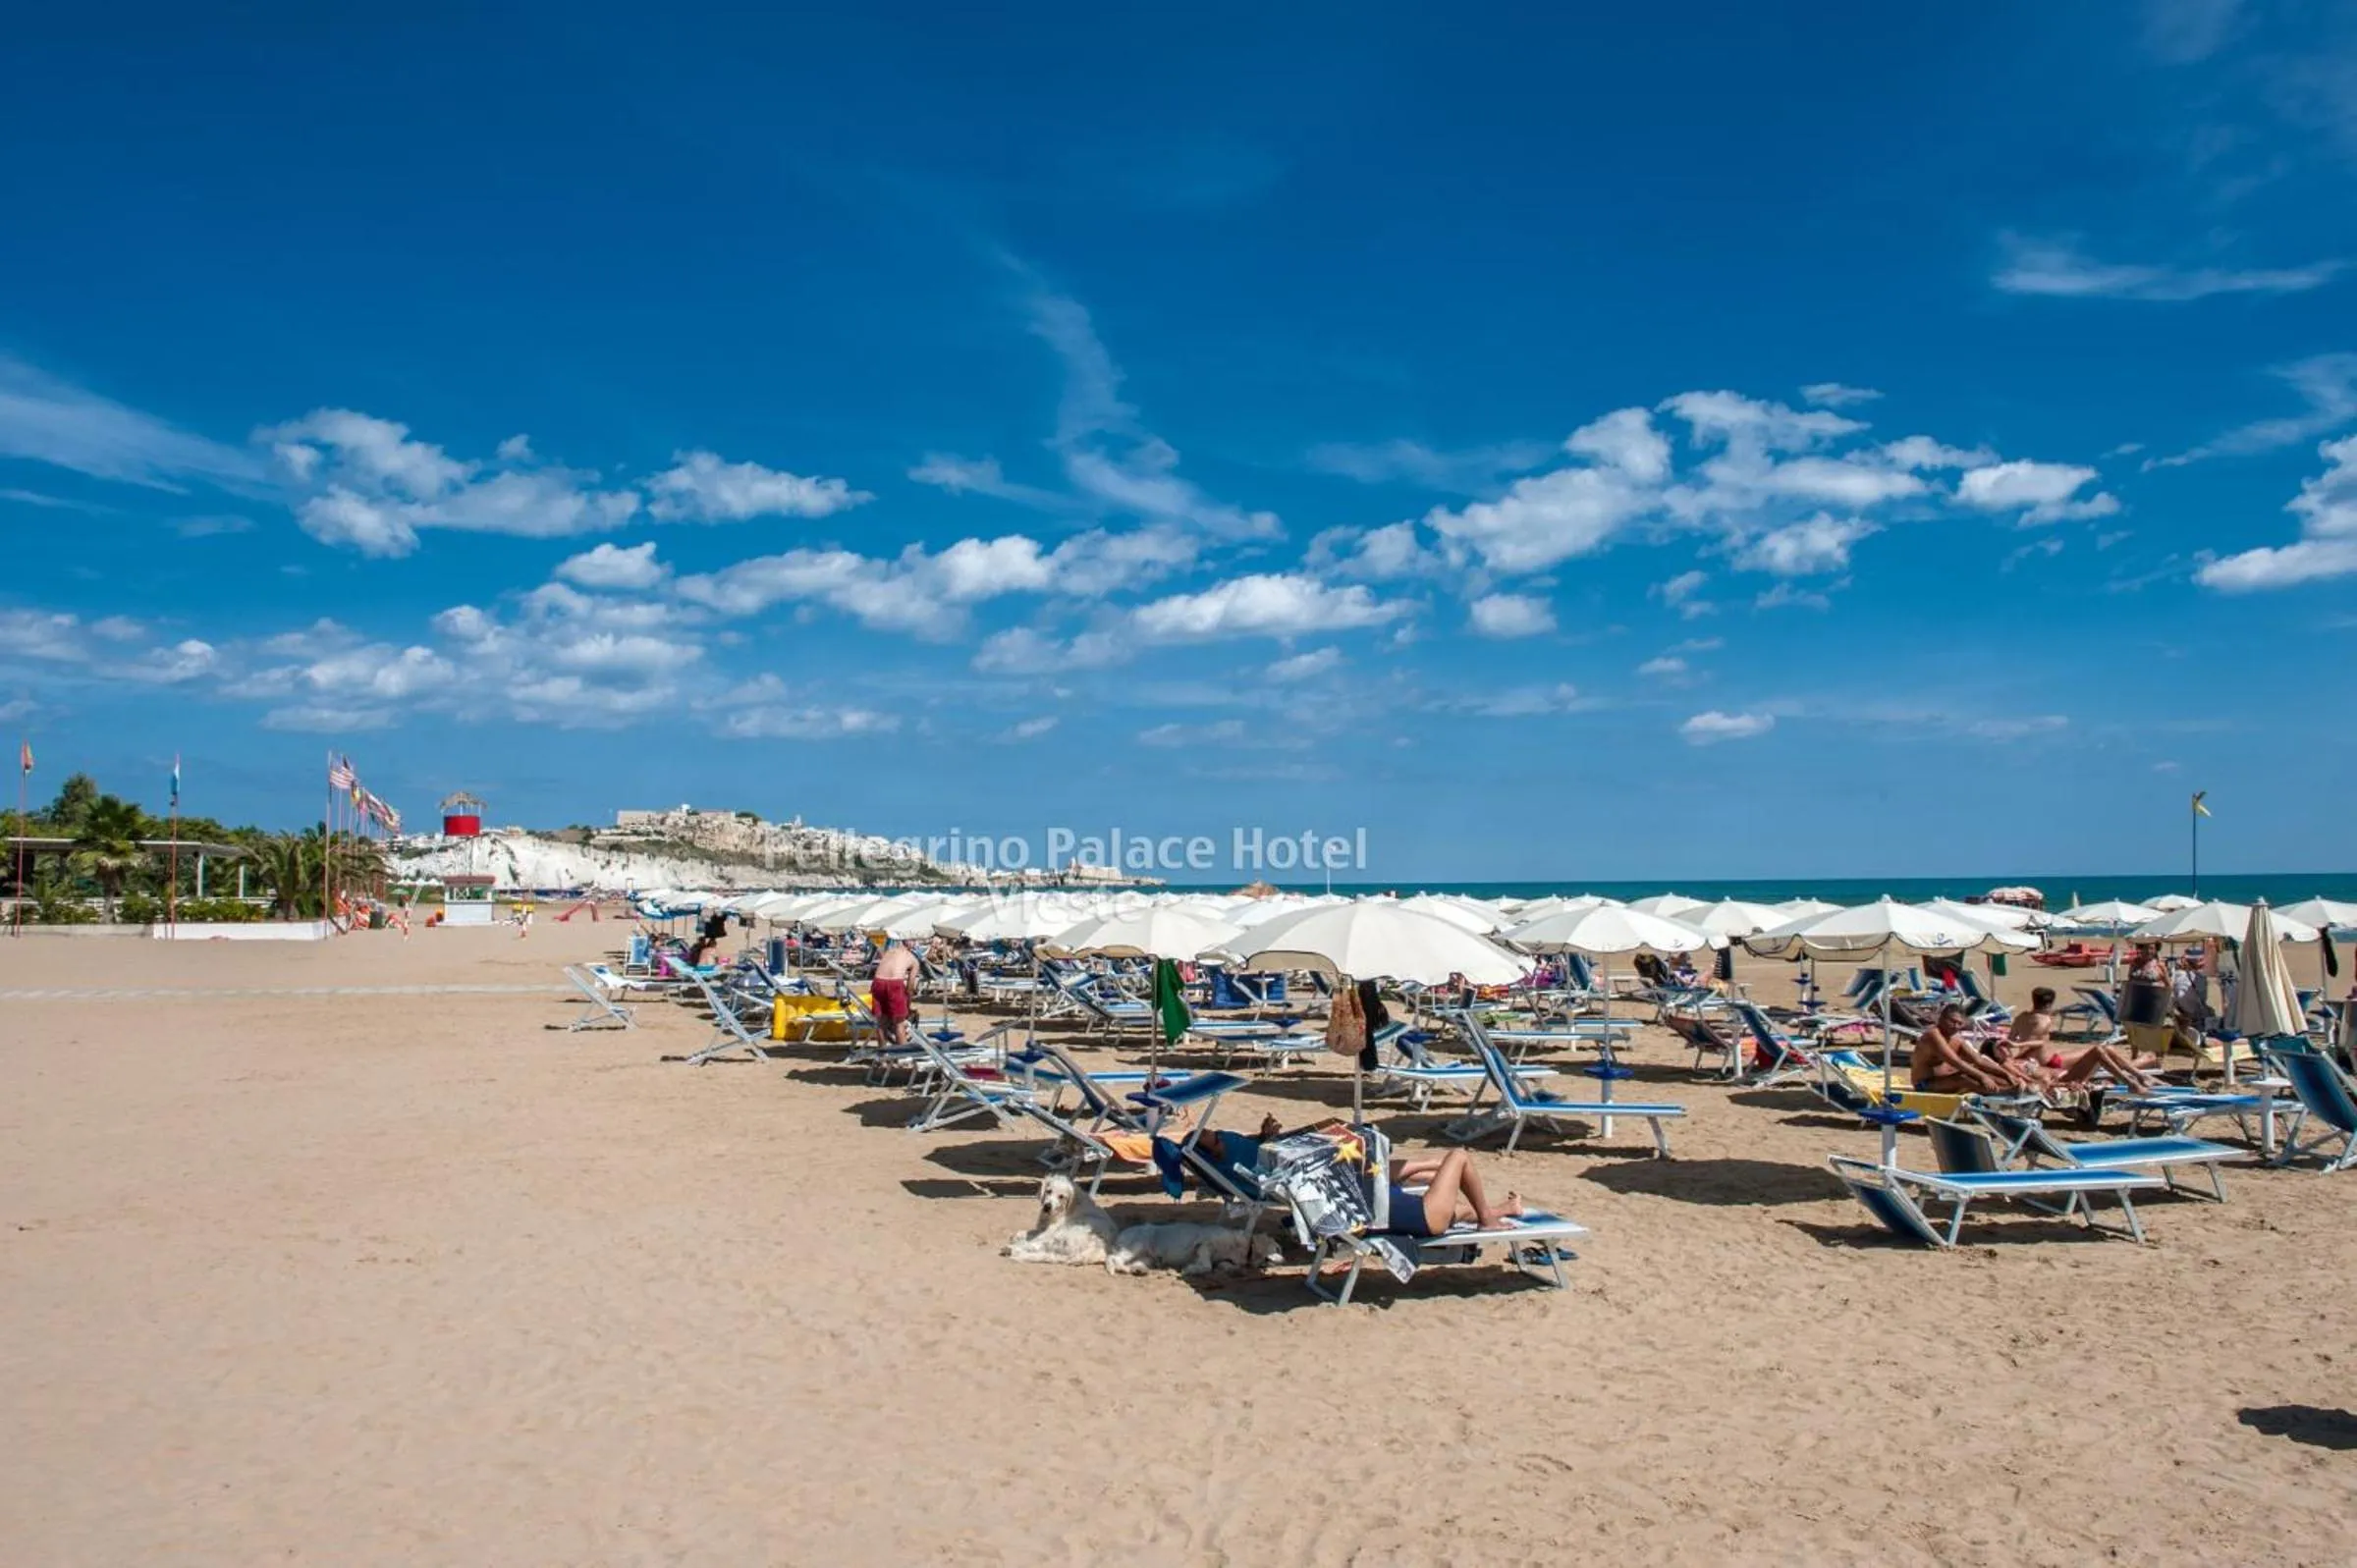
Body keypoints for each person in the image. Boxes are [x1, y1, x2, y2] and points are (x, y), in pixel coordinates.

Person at [1197, 1116, 1525, 1237]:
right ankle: (1488, 1220)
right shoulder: (1351, 1187)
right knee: (1459, 1156)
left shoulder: (1336, 1192)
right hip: (1425, 1218)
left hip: (1406, 1211)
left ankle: (1503, 1210)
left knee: (1452, 1206)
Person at [1998, 987, 2159, 1088]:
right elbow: (2034, 1043)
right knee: (2101, 1052)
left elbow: (2012, 1039)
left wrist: (2015, 1054)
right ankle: (2142, 1068)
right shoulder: (2044, 1020)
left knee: (2102, 1053)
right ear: (2049, 1004)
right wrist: (2020, 1048)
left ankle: (2141, 1070)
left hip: (2038, 1060)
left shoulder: (2021, 1017)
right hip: (2050, 1062)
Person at [1911, 1004, 2030, 1095]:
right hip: (1925, 1084)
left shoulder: (1956, 1038)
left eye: (1959, 1023)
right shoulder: (1933, 1035)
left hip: (1946, 1080)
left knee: (1983, 1072)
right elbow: (1956, 1062)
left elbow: (1979, 1060)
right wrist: (1982, 1077)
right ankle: (2006, 1092)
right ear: (1941, 1019)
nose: (1956, 1026)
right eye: (1952, 1021)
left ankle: (2017, 1087)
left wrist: (2006, 1074)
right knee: (1964, 1078)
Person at [871, 937, 919, 1048]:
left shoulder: (889, 952)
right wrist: (908, 1005)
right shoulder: (913, 959)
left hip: (878, 982)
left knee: (881, 1022)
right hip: (895, 984)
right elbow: (910, 986)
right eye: (914, 940)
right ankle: (903, 1055)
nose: (915, 943)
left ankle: (883, 1054)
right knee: (899, 1023)